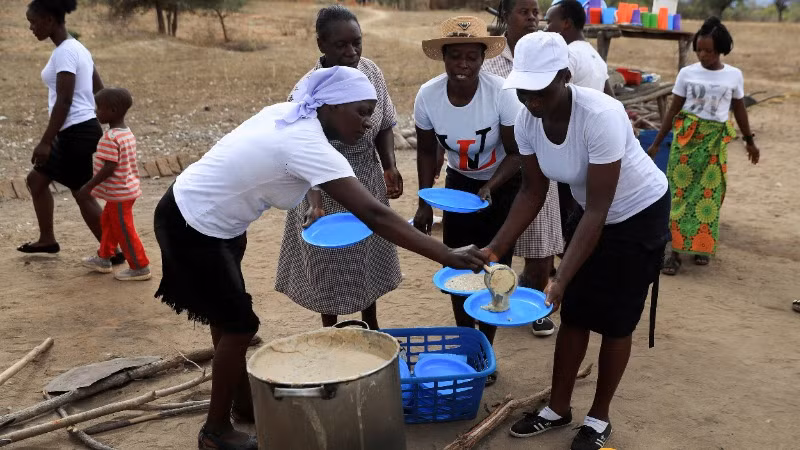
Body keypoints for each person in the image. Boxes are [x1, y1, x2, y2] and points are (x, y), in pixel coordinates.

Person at [153, 66, 488, 450]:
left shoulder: (290, 115)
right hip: (193, 223)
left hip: (208, 215)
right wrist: (446, 253)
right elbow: (375, 215)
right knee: (240, 325)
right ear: (329, 105)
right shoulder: (306, 140)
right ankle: (214, 432)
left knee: (227, 317)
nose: (368, 122)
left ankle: (241, 404)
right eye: (360, 111)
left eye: (371, 113)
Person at [485, 33, 669, 449]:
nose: (531, 98)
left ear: (565, 77)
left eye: (540, 88)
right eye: (524, 89)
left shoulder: (601, 114)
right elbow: (532, 192)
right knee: (577, 315)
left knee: (617, 320)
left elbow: (602, 209)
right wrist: (494, 250)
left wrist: (561, 274)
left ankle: (599, 418)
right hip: (589, 214)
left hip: (637, 214)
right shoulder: (527, 119)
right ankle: (558, 408)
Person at [275, 5, 402, 330]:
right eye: (341, 45)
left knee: (367, 254)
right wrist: (315, 204)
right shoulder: (307, 90)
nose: (352, 52)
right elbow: (302, 150)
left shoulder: (371, 72)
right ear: (322, 45)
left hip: (366, 178)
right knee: (327, 261)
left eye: (357, 43)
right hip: (320, 186)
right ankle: (330, 330)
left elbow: (384, 122)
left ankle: (372, 325)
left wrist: (388, 166)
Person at [413, 16, 522, 384]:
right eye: (455, 56)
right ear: (443, 57)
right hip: (457, 186)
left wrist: (491, 185)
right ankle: (466, 341)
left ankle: (485, 348)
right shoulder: (428, 95)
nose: (463, 64)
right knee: (458, 267)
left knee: (494, 267)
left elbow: (516, 153)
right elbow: (427, 152)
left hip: (502, 184)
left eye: (471, 57)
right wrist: (425, 200)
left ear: (482, 58)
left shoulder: (501, 93)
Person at [648, 17, 760, 275]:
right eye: (699, 49)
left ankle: (701, 246)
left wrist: (749, 141)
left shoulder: (734, 76)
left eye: (708, 50)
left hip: (714, 142)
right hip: (686, 142)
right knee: (678, 195)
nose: (703, 55)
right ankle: (673, 254)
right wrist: (656, 143)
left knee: (709, 195)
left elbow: (740, 110)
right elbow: (674, 109)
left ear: (721, 49)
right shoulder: (687, 74)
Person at [19, 0, 124, 264]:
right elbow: (99, 89)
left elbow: (64, 100)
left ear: (50, 20)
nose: (31, 27)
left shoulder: (65, 52)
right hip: (76, 130)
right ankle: (47, 239)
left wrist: (45, 142)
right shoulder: (77, 48)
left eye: (33, 21)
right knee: (37, 180)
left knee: (82, 192)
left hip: (77, 132)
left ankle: (113, 251)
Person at [483, 0, 564, 338]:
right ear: (506, 17)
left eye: (536, 12)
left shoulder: (548, 58)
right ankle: (499, 303)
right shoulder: (490, 66)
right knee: (500, 243)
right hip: (504, 166)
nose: (532, 17)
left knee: (540, 249)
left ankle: (533, 308)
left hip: (540, 167)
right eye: (524, 11)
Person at [79, 88, 151, 281]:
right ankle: (104, 257)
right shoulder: (126, 133)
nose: (96, 112)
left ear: (113, 110)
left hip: (120, 193)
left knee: (124, 229)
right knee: (109, 223)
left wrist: (89, 186)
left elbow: (109, 167)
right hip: (123, 190)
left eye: (99, 108)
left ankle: (140, 266)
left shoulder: (110, 138)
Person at [545, 0, 615, 96]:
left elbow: (552, 98)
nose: (546, 28)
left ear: (566, 23)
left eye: (549, 22)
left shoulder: (567, 55)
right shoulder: (595, 55)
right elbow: (612, 98)